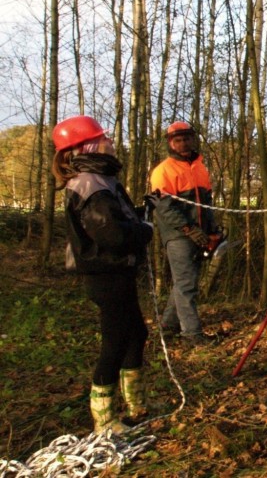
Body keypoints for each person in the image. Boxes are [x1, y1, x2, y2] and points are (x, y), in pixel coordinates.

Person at [52, 115, 153, 434]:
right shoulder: (89, 184)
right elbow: (113, 236)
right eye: (103, 137)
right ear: (87, 146)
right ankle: (105, 420)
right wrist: (145, 230)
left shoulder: (102, 180)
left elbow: (116, 222)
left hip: (116, 272)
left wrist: (142, 212)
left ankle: (135, 406)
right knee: (116, 341)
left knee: (136, 333)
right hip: (104, 274)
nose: (110, 141)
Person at [150, 120, 219, 346]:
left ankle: (168, 325)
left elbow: (207, 204)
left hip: (200, 232)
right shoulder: (162, 171)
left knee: (184, 282)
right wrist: (189, 229)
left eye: (186, 138)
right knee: (187, 283)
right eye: (177, 140)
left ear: (193, 139)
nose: (183, 143)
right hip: (178, 235)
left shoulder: (200, 167)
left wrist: (212, 231)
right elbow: (164, 208)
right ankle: (191, 334)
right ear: (171, 143)